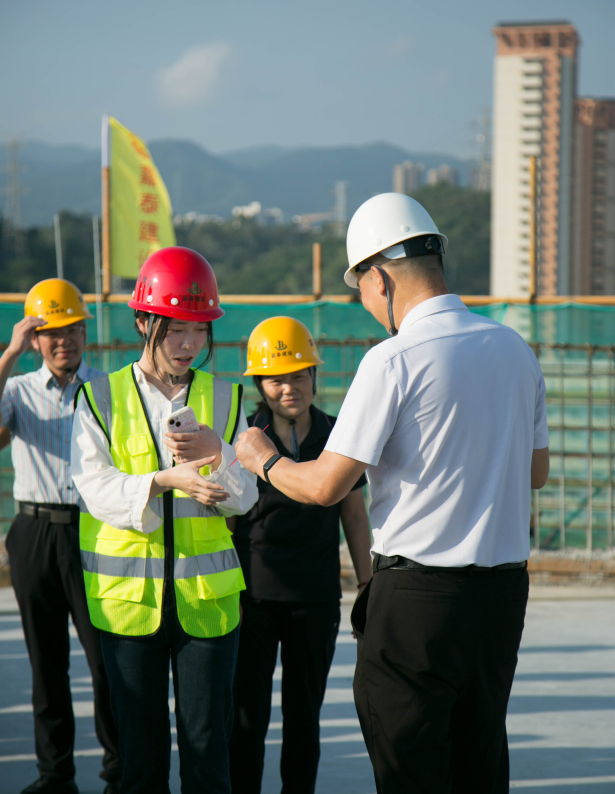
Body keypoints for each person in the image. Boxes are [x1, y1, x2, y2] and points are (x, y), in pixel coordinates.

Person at [234, 193, 550, 793]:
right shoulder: (515, 349)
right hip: (502, 597)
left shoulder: (392, 360)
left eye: (362, 289)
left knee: (410, 767)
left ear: (379, 278)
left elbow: (325, 485)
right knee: (480, 758)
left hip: (417, 599)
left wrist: (263, 459)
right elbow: (536, 473)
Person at [71, 247, 258, 794]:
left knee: (207, 752)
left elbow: (245, 498)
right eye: (175, 329)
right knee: (141, 757)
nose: (188, 344)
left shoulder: (226, 397)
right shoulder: (99, 397)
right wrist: (163, 480)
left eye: (199, 330)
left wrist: (218, 453)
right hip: (129, 604)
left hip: (207, 604)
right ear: (143, 322)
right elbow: (94, 487)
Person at [228, 316, 372, 794]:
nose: (289, 388)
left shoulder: (338, 434)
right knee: (246, 717)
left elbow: (354, 517)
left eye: (298, 375)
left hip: (315, 597)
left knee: (304, 718)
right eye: (276, 379)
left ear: (313, 375)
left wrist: (368, 586)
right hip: (251, 598)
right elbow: (227, 522)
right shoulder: (245, 437)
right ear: (259, 385)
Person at [0, 279, 121, 794]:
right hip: (33, 533)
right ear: (35, 339)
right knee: (46, 665)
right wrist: (7, 356)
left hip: (95, 532)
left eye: (71, 329)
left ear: (84, 333)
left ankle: (119, 773)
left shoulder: (108, 390)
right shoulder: (16, 390)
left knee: (106, 661)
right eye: (50, 332)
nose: (63, 340)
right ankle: (55, 775)